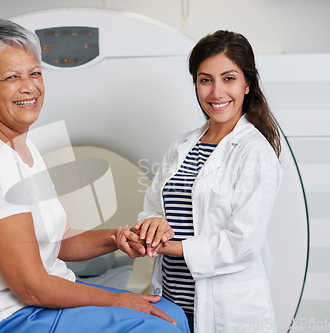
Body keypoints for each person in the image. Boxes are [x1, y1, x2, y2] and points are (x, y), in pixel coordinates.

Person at [0, 19, 189, 333]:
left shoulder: (22, 148)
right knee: (157, 327)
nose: (29, 87)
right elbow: (31, 287)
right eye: (12, 77)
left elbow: (60, 241)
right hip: (1, 319)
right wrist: (118, 302)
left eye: (35, 73)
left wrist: (118, 238)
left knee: (170, 313)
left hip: (35, 305)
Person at [115, 30, 282, 333]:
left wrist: (168, 246)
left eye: (228, 78)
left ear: (247, 84)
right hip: (172, 305)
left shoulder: (254, 151)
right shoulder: (184, 145)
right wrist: (152, 227)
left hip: (225, 313)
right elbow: (153, 209)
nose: (217, 92)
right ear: (195, 84)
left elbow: (242, 243)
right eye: (206, 80)